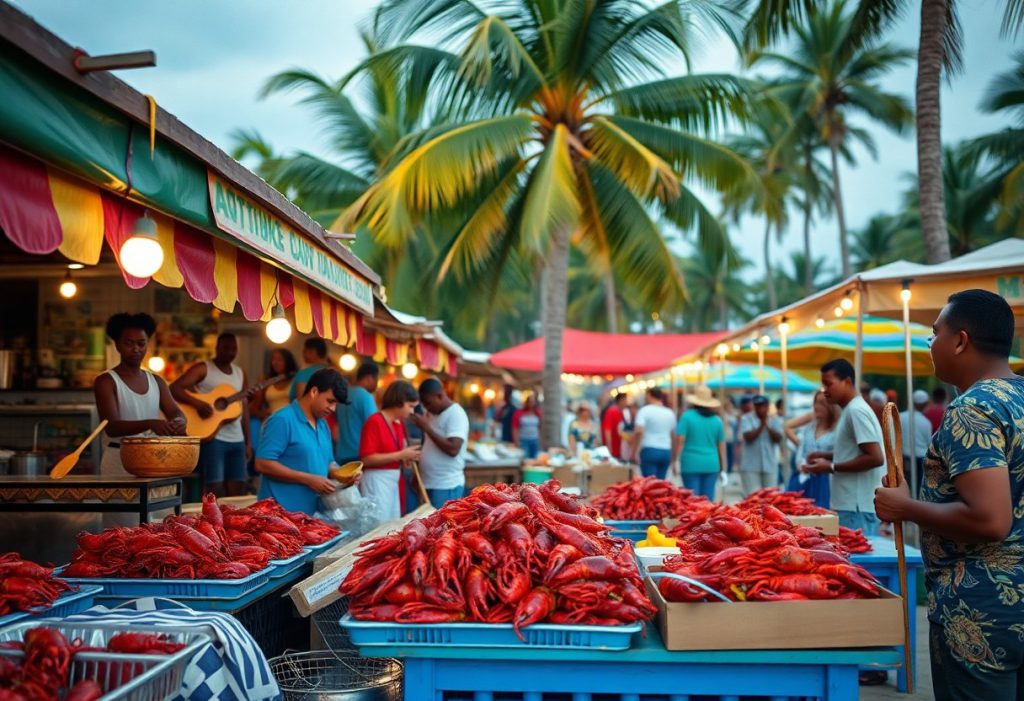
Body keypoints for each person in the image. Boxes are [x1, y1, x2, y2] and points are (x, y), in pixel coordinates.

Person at [875, 289, 1023, 700]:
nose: (930, 345)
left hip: (980, 613)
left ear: (960, 340)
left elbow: (991, 520)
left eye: (934, 334)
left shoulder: (971, 409)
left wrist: (904, 507)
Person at [94, 313, 186, 476]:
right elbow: (112, 427)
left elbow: (175, 412)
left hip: (151, 459)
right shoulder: (106, 381)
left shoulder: (157, 381)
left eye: (141, 343)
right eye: (129, 343)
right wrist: (150, 423)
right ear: (117, 345)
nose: (136, 349)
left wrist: (180, 421)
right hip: (118, 460)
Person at [255, 368, 355, 515]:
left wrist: (344, 475)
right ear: (314, 392)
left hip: (309, 515)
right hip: (278, 515)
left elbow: (328, 463)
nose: (333, 409)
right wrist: (308, 479)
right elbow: (263, 463)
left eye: (336, 404)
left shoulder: (322, 424)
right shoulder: (282, 419)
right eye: (330, 401)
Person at [802, 359, 885, 534]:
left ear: (847, 382)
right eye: (823, 385)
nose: (824, 391)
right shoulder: (851, 410)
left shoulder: (856, 411)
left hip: (857, 507)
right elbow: (854, 451)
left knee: (857, 560)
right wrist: (825, 455)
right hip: (852, 506)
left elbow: (875, 457)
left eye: (828, 384)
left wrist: (830, 467)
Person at [170, 333, 252, 497]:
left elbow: (245, 408)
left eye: (233, 349)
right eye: (226, 348)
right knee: (214, 488)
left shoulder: (240, 373)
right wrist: (198, 404)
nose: (230, 352)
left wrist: (248, 442)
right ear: (217, 348)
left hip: (238, 440)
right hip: (214, 438)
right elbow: (175, 387)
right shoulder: (204, 368)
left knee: (239, 487)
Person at [358, 380, 422, 520]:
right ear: (399, 401)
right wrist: (401, 454)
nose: (412, 411)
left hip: (393, 480)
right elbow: (366, 458)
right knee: (378, 526)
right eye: (410, 406)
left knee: (392, 525)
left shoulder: (398, 424)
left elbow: (397, 456)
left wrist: (405, 459)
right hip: (376, 480)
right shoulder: (374, 421)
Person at [412, 378, 470, 507]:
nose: (426, 408)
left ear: (439, 396)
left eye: (428, 403)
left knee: (443, 526)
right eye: (424, 405)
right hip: (429, 482)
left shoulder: (456, 414)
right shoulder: (431, 413)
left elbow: (453, 449)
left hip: (446, 485)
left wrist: (426, 428)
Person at [784, 391, 838, 509]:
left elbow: (840, 454)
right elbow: (801, 449)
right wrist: (799, 464)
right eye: (815, 403)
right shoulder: (809, 428)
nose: (817, 407)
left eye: (821, 403)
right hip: (803, 478)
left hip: (825, 482)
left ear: (830, 406)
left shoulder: (837, 431)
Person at [674, 386, 725, 499]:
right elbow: (721, 446)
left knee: (693, 501)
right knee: (708, 502)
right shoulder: (717, 420)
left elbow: (680, 441)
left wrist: (675, 461)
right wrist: (723, 468)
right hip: (712, 464)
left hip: (690, 463)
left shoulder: (686, 417)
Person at [335, 361, 380, 464]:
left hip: (341, 454)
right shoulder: (366, 397)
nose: (376, 384)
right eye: (376, 380)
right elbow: (374, 425)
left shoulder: (344, 394)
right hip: (359, 454)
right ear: (369, 378)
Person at [738, 395, 783, 495]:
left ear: (767, 406)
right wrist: (761, 425)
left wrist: (767, 425)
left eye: (762, 406)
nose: (760, 408)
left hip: (770, 464)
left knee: (771, 498)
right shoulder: (746, 418)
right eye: (757, 406)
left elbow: (778, 438)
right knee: (753, 498)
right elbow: (748, 437)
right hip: (751, 466)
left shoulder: (775, 420)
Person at [633, 388, 676, 480]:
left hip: (649, 449)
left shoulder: (644, 410)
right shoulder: (670, 413)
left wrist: (635, 451)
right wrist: (674, 456)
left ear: (649, 395)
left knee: (649, 484)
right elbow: (674, 435)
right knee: (661, 484)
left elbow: (639, 431)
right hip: (666, 450)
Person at [900, 389, 933, 496]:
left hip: (904, 458)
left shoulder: (900, 417)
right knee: (919, 490)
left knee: (905, 488)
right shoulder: (926, 422)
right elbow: (929, 443)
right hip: (921, 458)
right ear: (925, 404)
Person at [512, 395, 542, 459]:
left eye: (533, 402)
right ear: (527, 402)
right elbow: (515, 428)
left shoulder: (538, 413)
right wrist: (516, 441)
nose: (532, 403)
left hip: (534, 440)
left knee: (535, 458)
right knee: (525, 458)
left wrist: (539, 439)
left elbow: (539, 427)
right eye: (530, 401)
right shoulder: (519, 413)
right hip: (524, 440)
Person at [601, 393, 628, 460]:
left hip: (619, 449)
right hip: (612, 450)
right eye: (625, 401)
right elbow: (607, 430)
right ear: (620, 401)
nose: (626, 403)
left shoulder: (621, 412)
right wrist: (609, 449)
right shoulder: (611, 412)